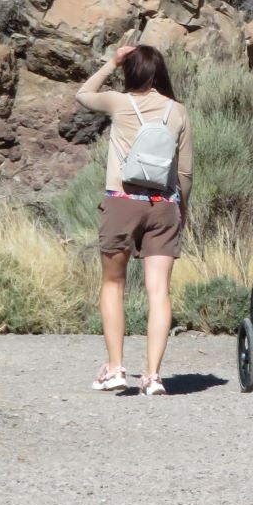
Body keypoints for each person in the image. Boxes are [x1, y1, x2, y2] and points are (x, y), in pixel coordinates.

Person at [75, 43, 193, 396]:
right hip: (164, 205)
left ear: (131, 72)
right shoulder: (178, 112)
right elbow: (184, 172)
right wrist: (180, 211)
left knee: (113, 284)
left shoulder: (119, 103)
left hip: (122, 202)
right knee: (159, 292)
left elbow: (83, 94)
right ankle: (153, 376)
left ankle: (115, 369)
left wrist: (111, 62)